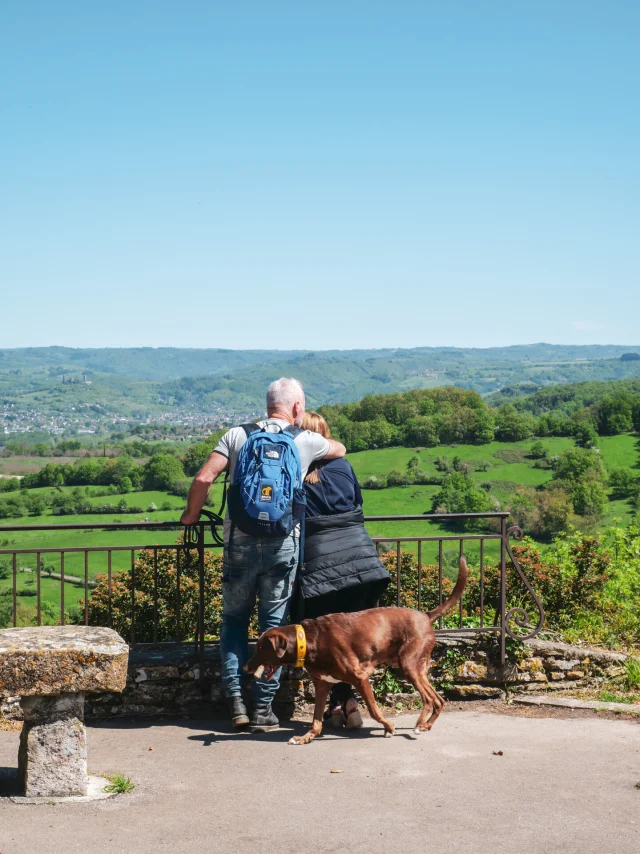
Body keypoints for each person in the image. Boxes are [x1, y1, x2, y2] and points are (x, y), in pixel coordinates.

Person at [180, 378, 346, 733]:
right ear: (298, 408)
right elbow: (341, 449)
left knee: (233, 622)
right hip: (283, 544)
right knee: (275, 627)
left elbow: (204, 477)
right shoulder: (304, 440)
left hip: (239, 542)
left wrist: (190, 516)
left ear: (266, 404)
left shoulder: (236, 436)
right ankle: (263, 708)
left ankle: (236, 702)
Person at [295, 411, 390, 729]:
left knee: (327, 641)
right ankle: (346, 703)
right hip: (361, 562)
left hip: (320, 568)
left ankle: (342, 703)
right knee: (351, 639)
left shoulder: (296, 471)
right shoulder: (344, 467)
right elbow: (358, 506)